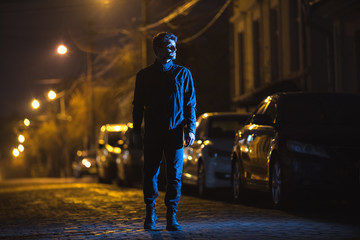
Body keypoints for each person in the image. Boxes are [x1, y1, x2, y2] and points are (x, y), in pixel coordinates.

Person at [132, 32, 196, 231]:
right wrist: (136, 130)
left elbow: (190, 103)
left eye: (175, 46)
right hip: (152, 132)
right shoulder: (144, 76)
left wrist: (191, 129)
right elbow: (138, 106)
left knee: (175, 174)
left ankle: (171, 215)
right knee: (150, 172)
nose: (174, 49)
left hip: (176, 132)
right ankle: (150, 212)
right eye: (169, 46)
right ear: (158, 49)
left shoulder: (183, 74)